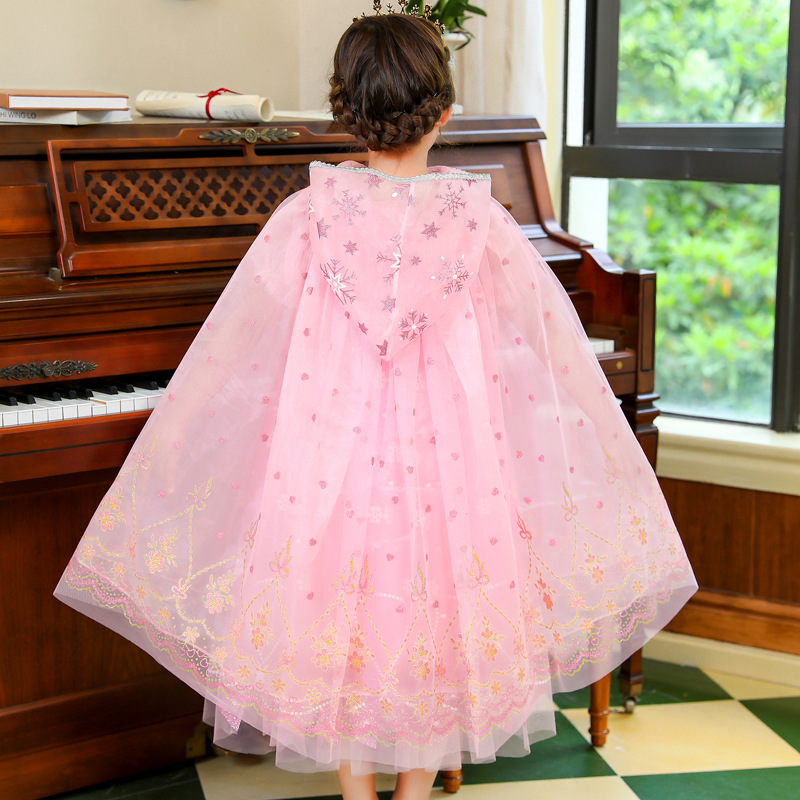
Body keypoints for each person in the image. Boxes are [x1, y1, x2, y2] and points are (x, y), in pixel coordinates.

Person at [54, 9, 696, 800]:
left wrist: (189, 429)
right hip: (449, 470)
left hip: (333, 463)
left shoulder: (306, 218)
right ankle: (412, 793)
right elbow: (547, 344)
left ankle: (358, 795)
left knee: (341, 617)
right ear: (446, 113)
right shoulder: (482, 222)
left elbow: (238, 341)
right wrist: (585, 432)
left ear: (344, 111)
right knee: (436, 622)